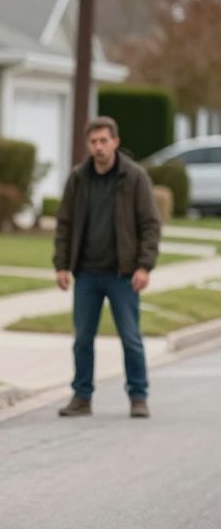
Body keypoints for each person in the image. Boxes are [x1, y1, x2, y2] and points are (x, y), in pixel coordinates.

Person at [53, 116, 161, 418]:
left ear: (116, 142)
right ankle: (82, 397)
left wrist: (144, 266)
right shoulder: (78, 178)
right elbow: (64, 224)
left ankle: (138, 396)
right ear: (88, 144)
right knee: (82, 339)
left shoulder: (134, 177)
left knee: (130, 338)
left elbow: (150, 225)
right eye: (94, 142)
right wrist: (61, 265)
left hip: (123, 275)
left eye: (104, 141)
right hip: (86, 273)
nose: (99, 147)